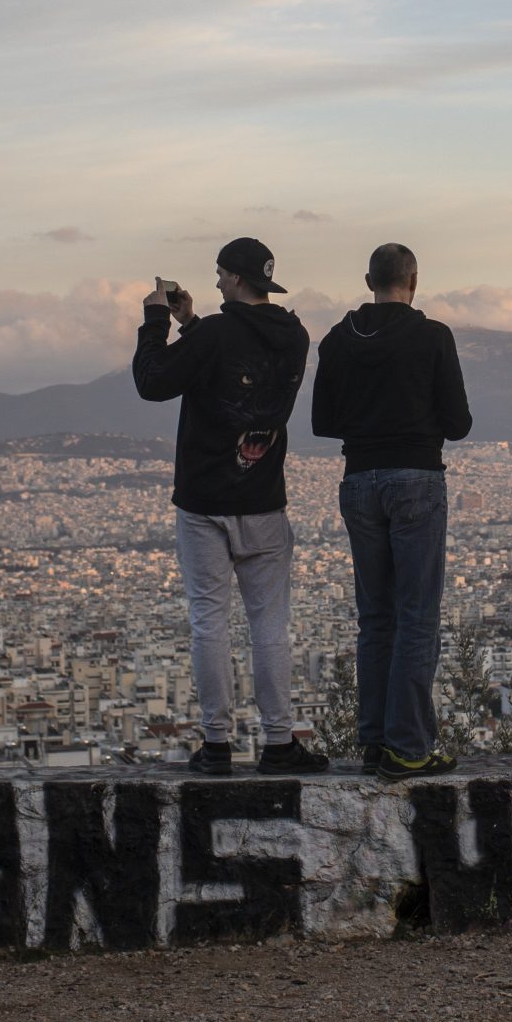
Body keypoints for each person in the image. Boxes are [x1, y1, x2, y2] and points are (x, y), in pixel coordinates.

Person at [132, 237, 326, 775]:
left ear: (238, 278)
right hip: (264, 498)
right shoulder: (295, 335)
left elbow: (153, 382)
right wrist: (192, 324)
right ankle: (280, 742)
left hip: (204, 501)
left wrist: (156, 322)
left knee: (209, 622)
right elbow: (236, 370)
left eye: (220, 274)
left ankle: (216, 743)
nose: (215, 283)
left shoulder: (217, 332)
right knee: (269, 626)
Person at [311, 242, 474, 781]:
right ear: (414, 280)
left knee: (375, 617)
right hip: (416, 478)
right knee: (416, 616)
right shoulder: (432, 337)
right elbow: (459, 422)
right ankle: (410, 747)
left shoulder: (337, 339)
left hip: (358, 478)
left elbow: (321, 420)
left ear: (368, 279)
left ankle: (375, 742)